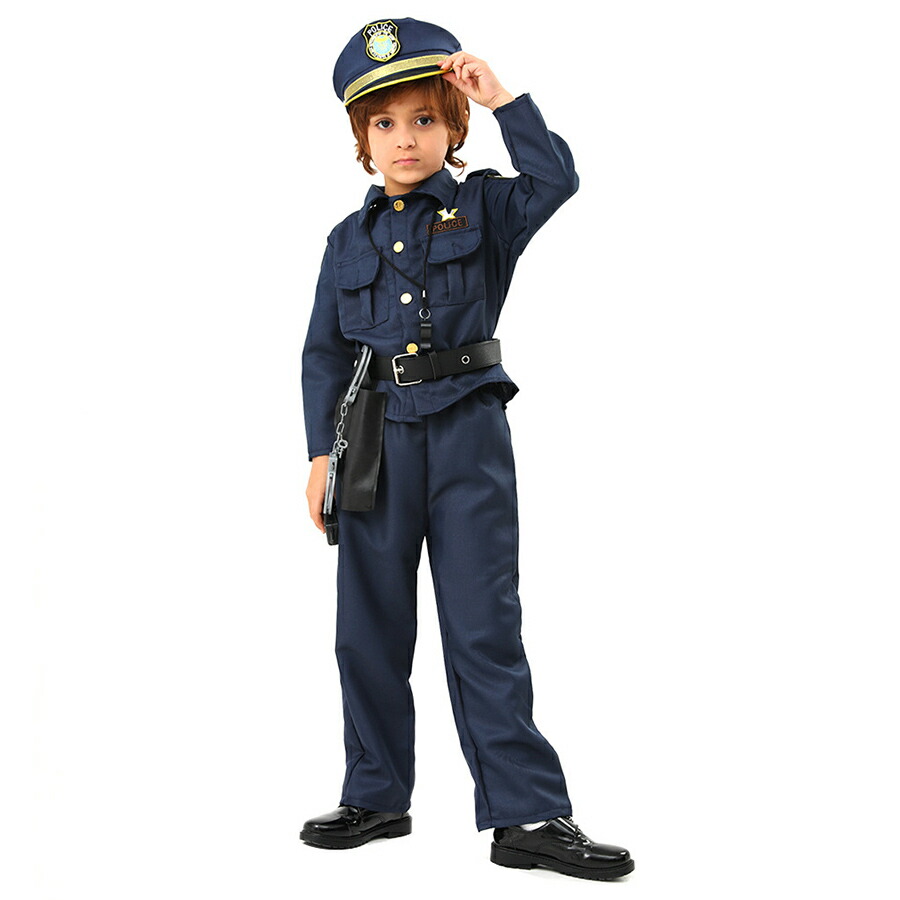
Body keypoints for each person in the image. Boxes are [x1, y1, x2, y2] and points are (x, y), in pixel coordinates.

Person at [299, 18, 634, 881]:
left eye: (424, 118)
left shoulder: (485, 206)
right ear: (361, 139)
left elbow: (556, 178)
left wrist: (503, 99)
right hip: (373, 443)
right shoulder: (345, 241)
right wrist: (320, 455)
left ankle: (527, 815)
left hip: (468, 437)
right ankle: (376, 795)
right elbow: (325, 355)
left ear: (453, 126)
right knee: (367, 626)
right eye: (384, 124)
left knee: (485, 626)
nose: (404, 139)